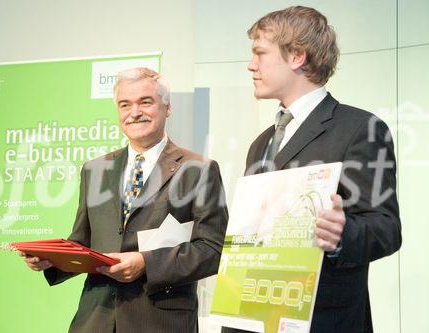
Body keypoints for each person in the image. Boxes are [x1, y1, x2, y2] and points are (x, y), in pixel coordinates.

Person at [223, 6, 401, 333]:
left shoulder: (360, 128)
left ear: (296, 57)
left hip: (323, 320)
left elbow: (386, 228)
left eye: (259, 54)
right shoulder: (261, 143)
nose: (251, 65)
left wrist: (341, 234)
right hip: (251, 315)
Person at [22, 67, 228, 332]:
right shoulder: (95, 170)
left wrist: (146, 264)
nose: (135, 112)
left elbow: (213, 249)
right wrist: (52, 259)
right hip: (96, 318)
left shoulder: (198, 169)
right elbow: (82, 241)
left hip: (160, 321)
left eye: (145, 102)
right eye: (125, 104)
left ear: (167, 108)